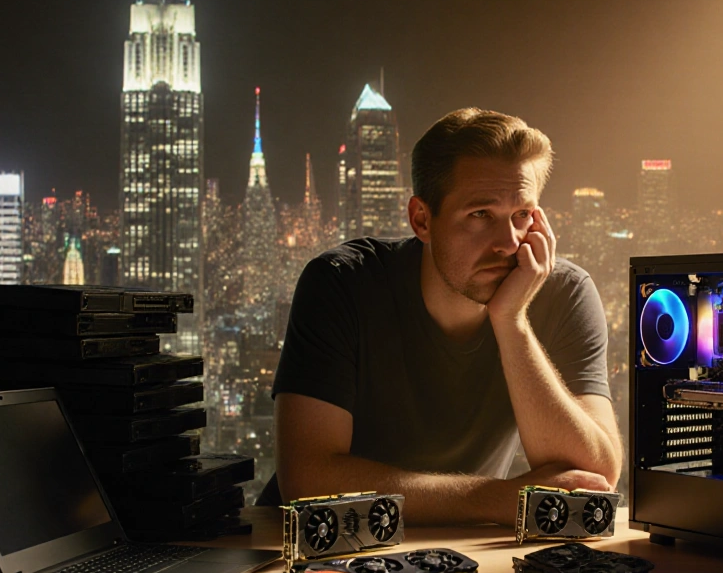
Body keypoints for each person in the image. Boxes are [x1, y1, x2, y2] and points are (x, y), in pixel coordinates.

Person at [263, 108, 622, 525]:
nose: (508, 243)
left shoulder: (563, 292)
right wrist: (499, 499)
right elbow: (308, 480)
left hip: (464, 550)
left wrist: (512, 321)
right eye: (480, 215)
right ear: (421, 219)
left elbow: (592, 478)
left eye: (522, 215)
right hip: (310, 547)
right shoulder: (342, 283)